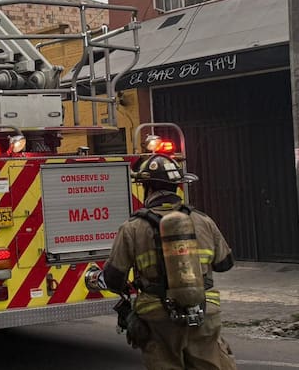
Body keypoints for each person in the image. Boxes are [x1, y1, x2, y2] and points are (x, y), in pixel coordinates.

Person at [86, 151, 236, 369]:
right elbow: (225, 264)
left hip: (158, 317)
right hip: (203, 311)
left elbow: (113, 277)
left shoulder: (132, 227)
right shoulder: (203, 220)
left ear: (148, 187)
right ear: (177, 186)